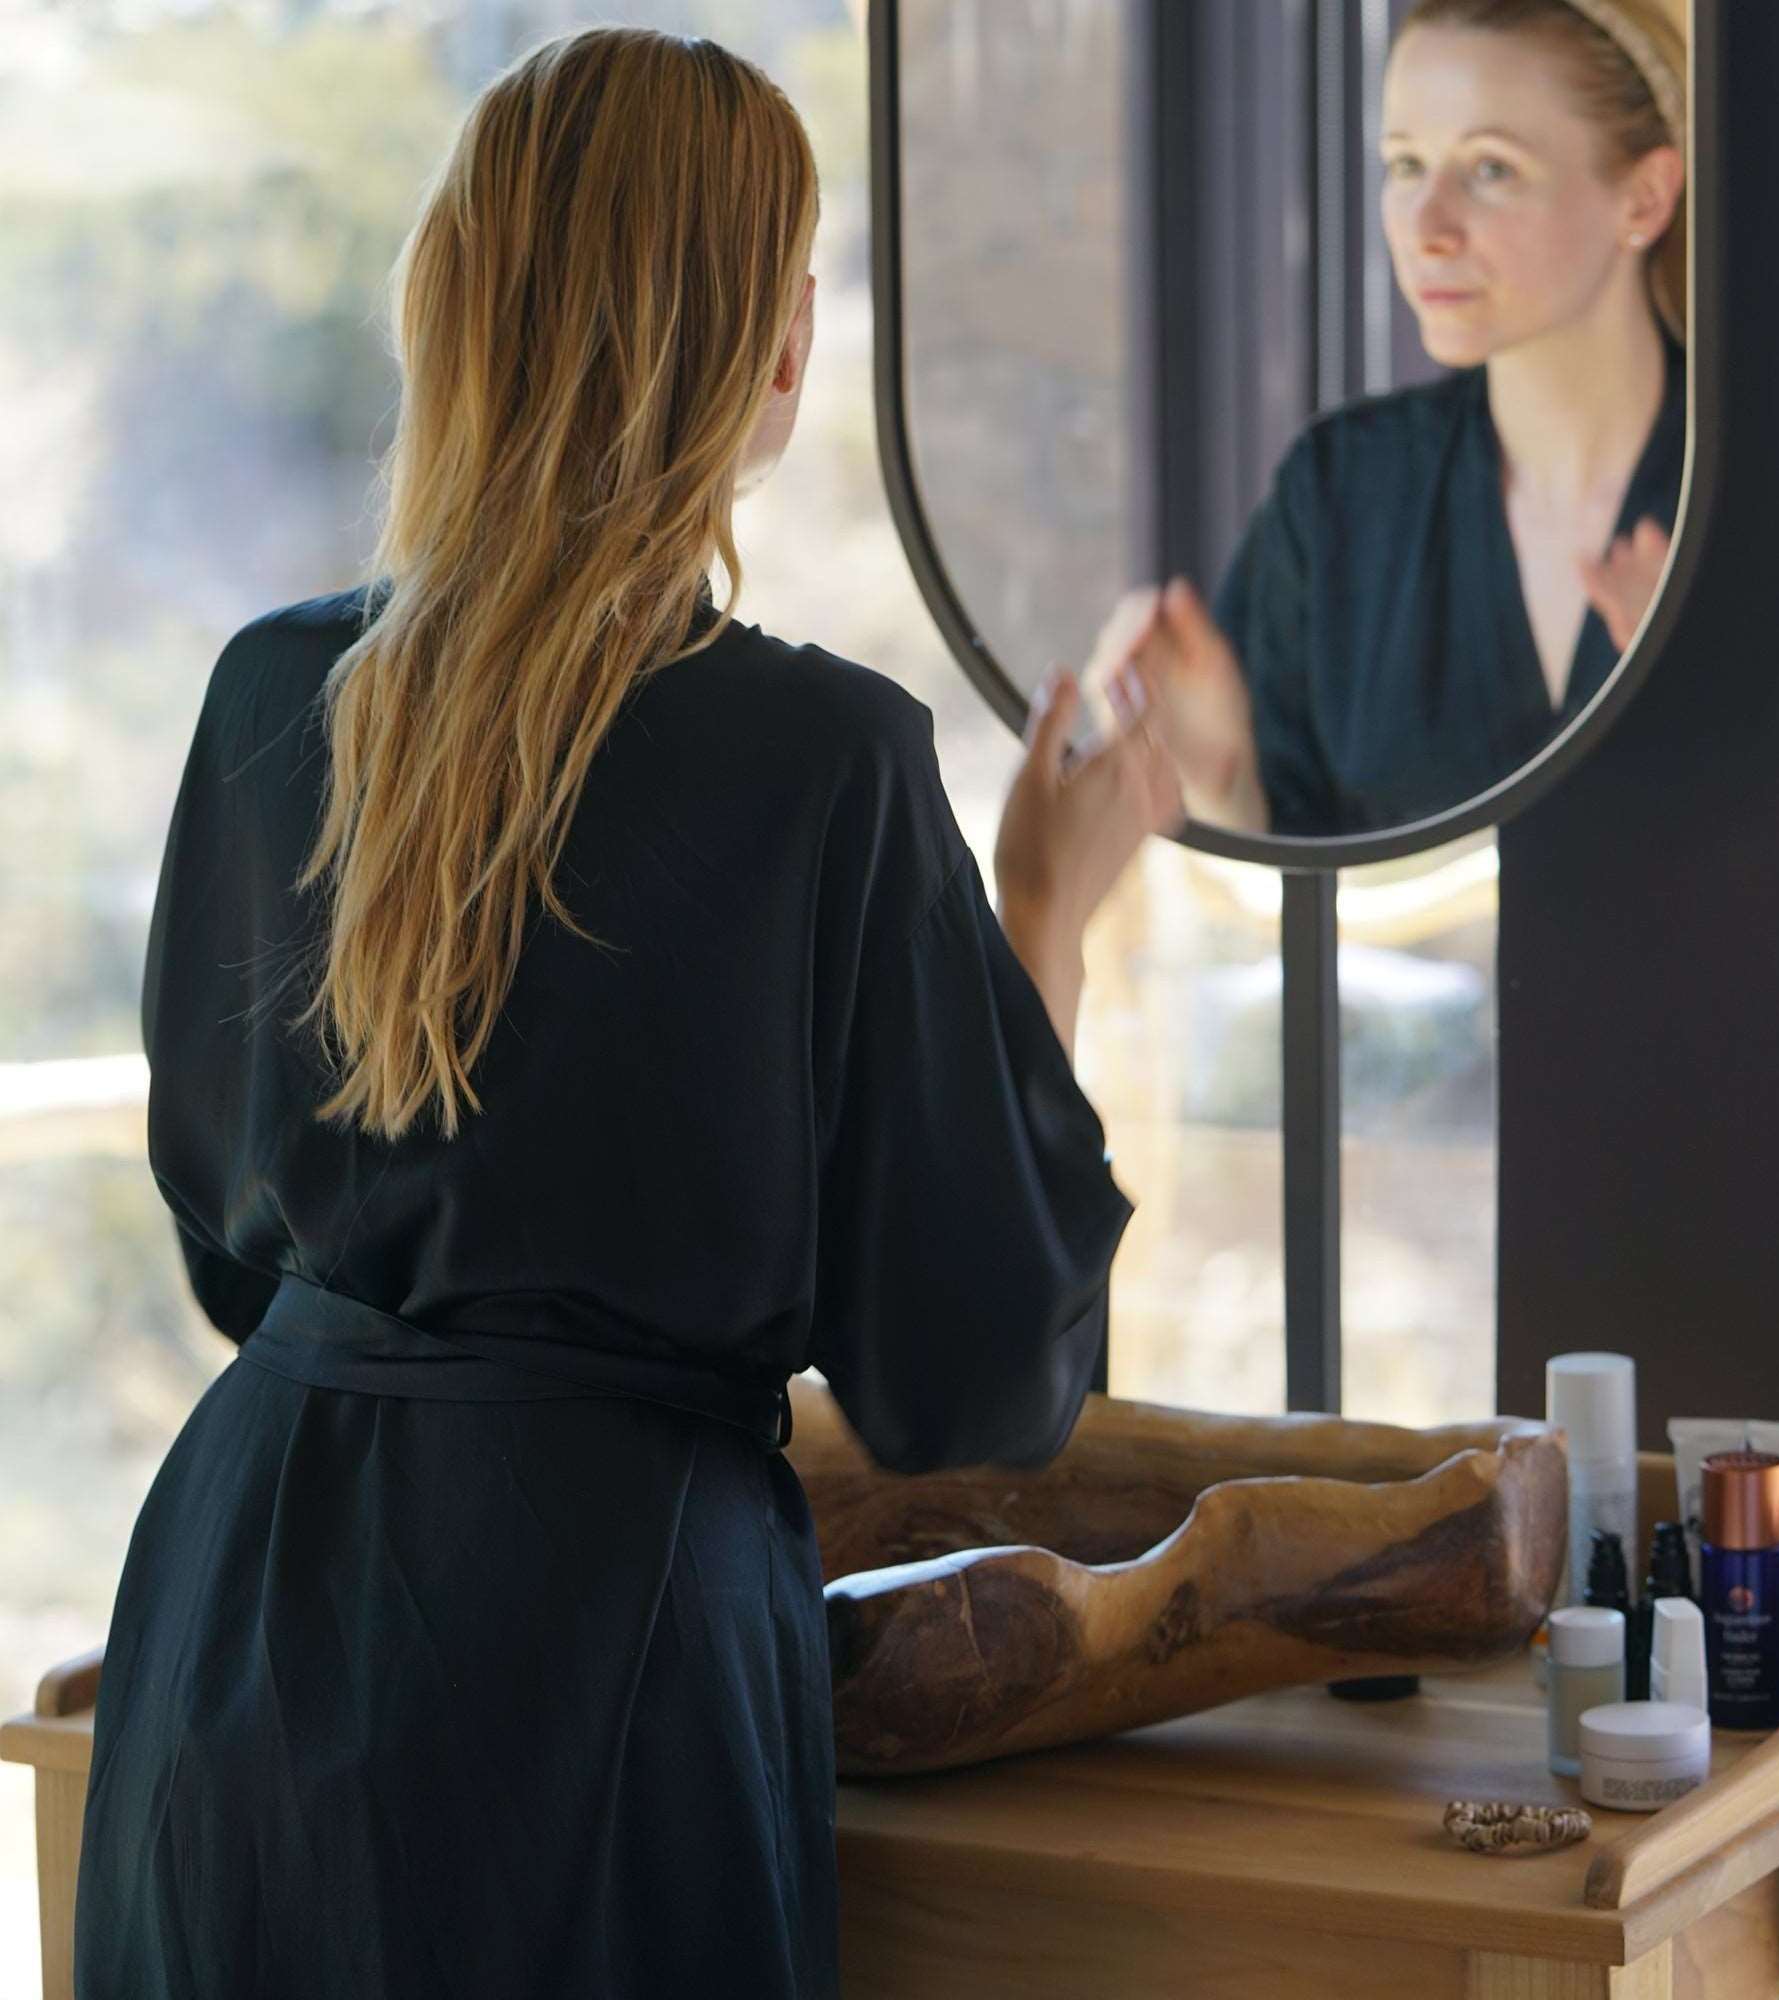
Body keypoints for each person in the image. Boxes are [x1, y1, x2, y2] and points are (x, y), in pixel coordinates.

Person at [72, 30, 1181, 1999]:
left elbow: (235, 1250)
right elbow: (975, 1375)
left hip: (240, 1610)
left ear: (455, 307)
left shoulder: (266, 699)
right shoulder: (823, 762)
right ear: (769, 351)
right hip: (598, 1659)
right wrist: (1044, 914)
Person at [1104, 0, 1688, 837]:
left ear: (1644, 197)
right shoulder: (1340, 496)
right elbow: (1292, 893)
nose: (1425, 228)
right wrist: (1223, 785)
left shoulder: (1761, 496)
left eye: (1491, 170)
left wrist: (1713, 710)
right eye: (1406, 164)